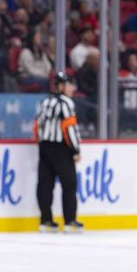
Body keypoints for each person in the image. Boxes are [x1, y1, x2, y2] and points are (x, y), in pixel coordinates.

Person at [34, 71, 83, 233]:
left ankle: (45, 221)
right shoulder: (66, 103)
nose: (72, 88)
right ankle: (70, 221)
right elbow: (69, 128)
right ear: (61, 86)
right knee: (69, 184)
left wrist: (41, 144)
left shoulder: (44, 101)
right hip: (61, 148)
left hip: (45, 147)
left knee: (45, 184)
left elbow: (37, 126)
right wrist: (75, 149)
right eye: (69, 85)